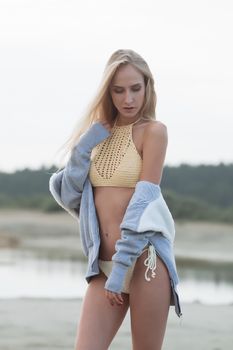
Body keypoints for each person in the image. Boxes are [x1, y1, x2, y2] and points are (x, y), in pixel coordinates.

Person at [49, 49, 182, 350]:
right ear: (108, 92)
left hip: (143, 260)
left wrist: (122, 269)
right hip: (104, 262)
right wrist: (83, 148)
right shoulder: (98, 135)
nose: (128, 99)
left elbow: (144, 202)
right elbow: (71, 195)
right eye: (119, 90)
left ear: (147, 87)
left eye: (136, 88)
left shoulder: (153, 132)